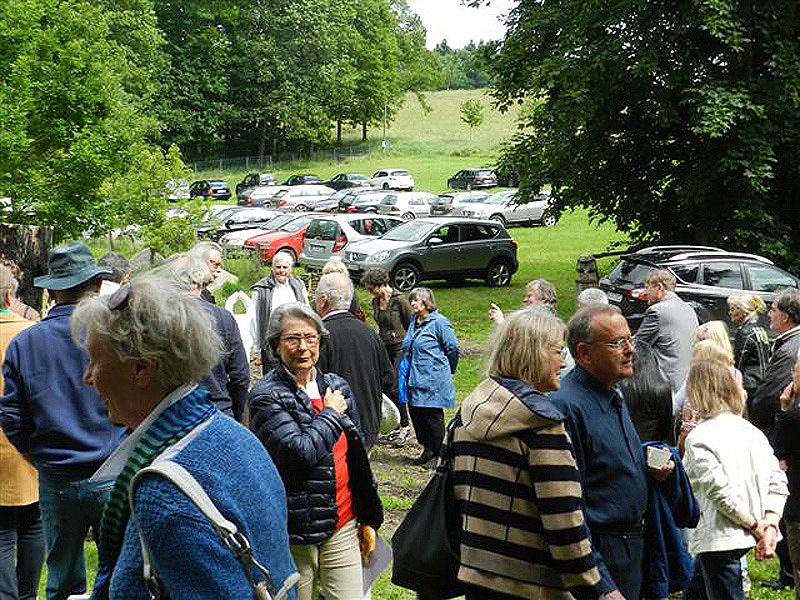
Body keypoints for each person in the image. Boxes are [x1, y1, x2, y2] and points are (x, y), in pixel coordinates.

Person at [71, 274, 296, 599]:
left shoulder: (164, 492)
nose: (88, 377)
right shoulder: (234, 436)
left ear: (141, 369)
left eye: (95, 360)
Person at [0, 241, 126, 600]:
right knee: (121, 577)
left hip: (57, 476)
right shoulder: (116, 336)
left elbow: (11, 417)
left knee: (62, 584)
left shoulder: (27, 343)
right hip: (113, 472)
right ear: (98, 286)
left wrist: (38, 455)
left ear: (51, 290)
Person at [451, 307, 604, 598]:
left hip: (476, 573)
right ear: (533, 354)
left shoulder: (469, 411)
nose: (563, 363)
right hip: (533, 584)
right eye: (558, 352)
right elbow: (563, 518)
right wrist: (592, 584)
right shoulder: (543, 424)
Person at [248, 302, 383, 600]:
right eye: (292, 339)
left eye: (311, 338)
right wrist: (331, 414)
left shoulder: (337, 386)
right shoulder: (266, 397)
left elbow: (356, 454)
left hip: (343, 522)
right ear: (275, 345)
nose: (303, 347)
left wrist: (368, 515)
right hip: (295, 533)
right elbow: (299, 454)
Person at [549, 304, 674, 600]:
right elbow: (567, 506)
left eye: (630, 339)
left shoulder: (613, 391)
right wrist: (601, 585)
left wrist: (644, 466)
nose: (631, 350)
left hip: (634, 547)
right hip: (603, 555)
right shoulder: (568, 407)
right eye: (618, 343)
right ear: (584, 354)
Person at [684, 359, 787, 600]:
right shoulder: (752, 432)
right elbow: (778, 481)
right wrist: (770, 523)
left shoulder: (699, 437)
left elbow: (720, 493)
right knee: (698, 587)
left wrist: (757, 526)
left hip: (721, 537)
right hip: (737, 534)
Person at [153, 253, 250, 422]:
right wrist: (236, 413)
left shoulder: (156, 318)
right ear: (200, 280)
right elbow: (240, 376)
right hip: (217, 412)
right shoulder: (223, 317)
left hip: (171, 417)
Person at [0, 264, 44, 600]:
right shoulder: (33, 332)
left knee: (1, 534)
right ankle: (27, 595)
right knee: (32, 523)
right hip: (30, 441)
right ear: (8, 294)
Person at [314, 272, 394, 449]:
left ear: (323, 300)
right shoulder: (370, 334)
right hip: (369, 427)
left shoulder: (319, 337)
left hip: (336, 428)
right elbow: (388, 380)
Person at [399, 287, 460, 467]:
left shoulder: (439, 323)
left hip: (432, 378)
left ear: (426, 302)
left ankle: (438, 454)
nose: (412, 304)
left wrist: (448, 368)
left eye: (416, 300)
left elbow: (453, 348)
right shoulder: (413, 321)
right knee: (416, 414)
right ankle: (427, 450)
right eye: (411, 300)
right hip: (414, 377)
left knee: (432, 416)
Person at [360, 266, 413, 445]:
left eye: (372, 287)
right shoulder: (376, 302)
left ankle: (405, 427)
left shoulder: (399, 301)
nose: (370, 291)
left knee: (397, 385)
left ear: (381, 284)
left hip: (400, 348)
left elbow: (410, 325)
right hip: (384, 347)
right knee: (385, 385)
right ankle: (395, 425)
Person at [634, 268, 698, 393]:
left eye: (647, 287)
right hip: (689, 380)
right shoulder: (689, 309)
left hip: (666, 384)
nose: (644, 293)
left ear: (659, 287)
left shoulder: (657, 311)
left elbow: (637, 345)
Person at [750, 288, 800, 437]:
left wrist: (752, 421)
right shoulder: (789, 342)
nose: (768, 314)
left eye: (773, 310)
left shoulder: (789, 351)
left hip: (777, 429)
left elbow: (769, 395)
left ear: (784, 317)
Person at [251, 251, 309, 374]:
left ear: (291, 269)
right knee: (272, 377)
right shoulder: (261, 289)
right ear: (272, 268)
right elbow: (255, 320)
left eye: (285, 267)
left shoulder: (299, 286)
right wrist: (257, 349)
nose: (281, 271)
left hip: (295, 339)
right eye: (278, 267)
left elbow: (307, 311)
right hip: (271, 341)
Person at [620, 343, 674, 444]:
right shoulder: (662, 388)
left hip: (625, 445)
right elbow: (666, 427)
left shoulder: (619, 387)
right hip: (653, 448)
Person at [727, 294, 770, 407]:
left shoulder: (744, 333)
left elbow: (739, 362)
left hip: (749, 385)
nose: (729, 313)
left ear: (743, 311)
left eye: (732, 309)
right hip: (763, 381)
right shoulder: (760, 329)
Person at [488, 278, 557, 323]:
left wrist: (501, 322)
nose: (524, 300)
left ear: (543, 299)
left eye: (529, 296)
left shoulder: (542, 323)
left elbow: (516, 342)